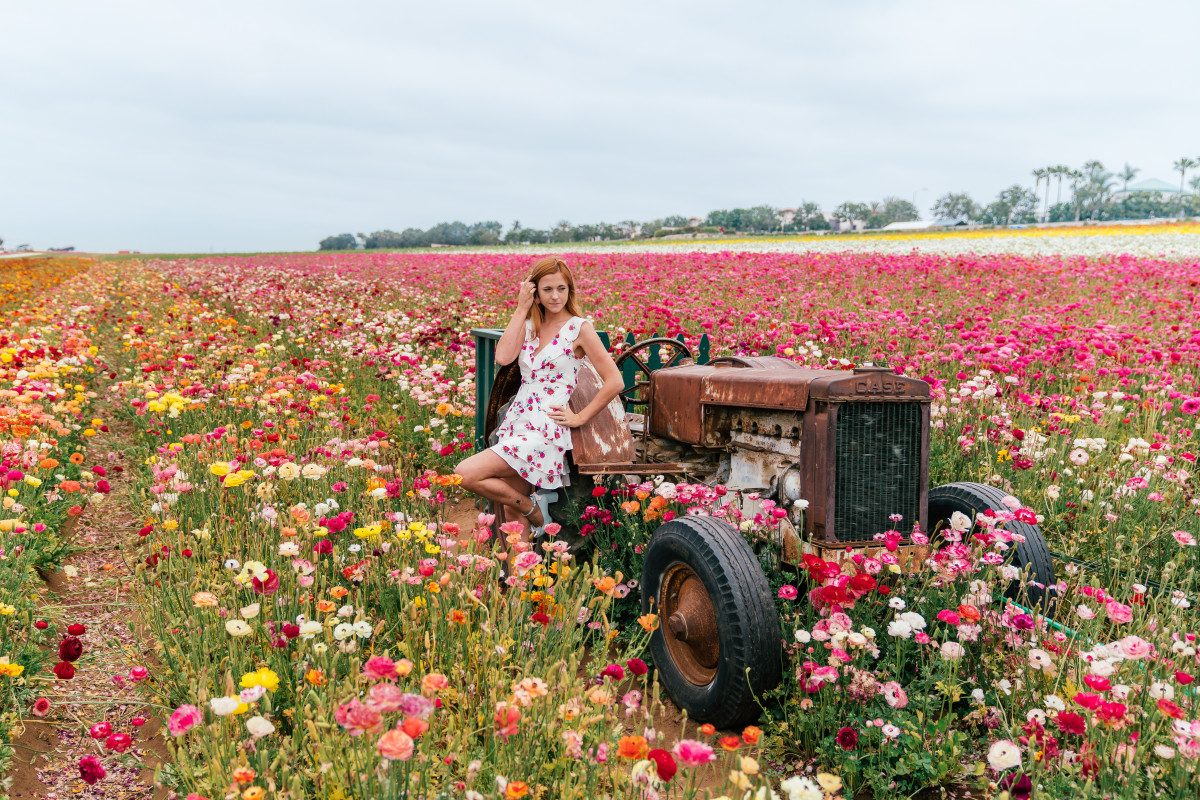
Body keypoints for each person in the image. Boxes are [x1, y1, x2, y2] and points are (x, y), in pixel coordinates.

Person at [455, 256, 624, 539]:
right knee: (510, 514)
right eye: (547, 289)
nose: (555, 296)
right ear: (535, 291)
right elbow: (504, 356)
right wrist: (521, 308)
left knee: (465, 473)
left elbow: (615, 381)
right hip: (517, 421)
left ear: (570, 291)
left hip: (546, 427)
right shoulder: (531, 325)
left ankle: (532, 507)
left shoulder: (578, 328)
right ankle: (519, 577)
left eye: (561, 288)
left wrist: (580, 416)